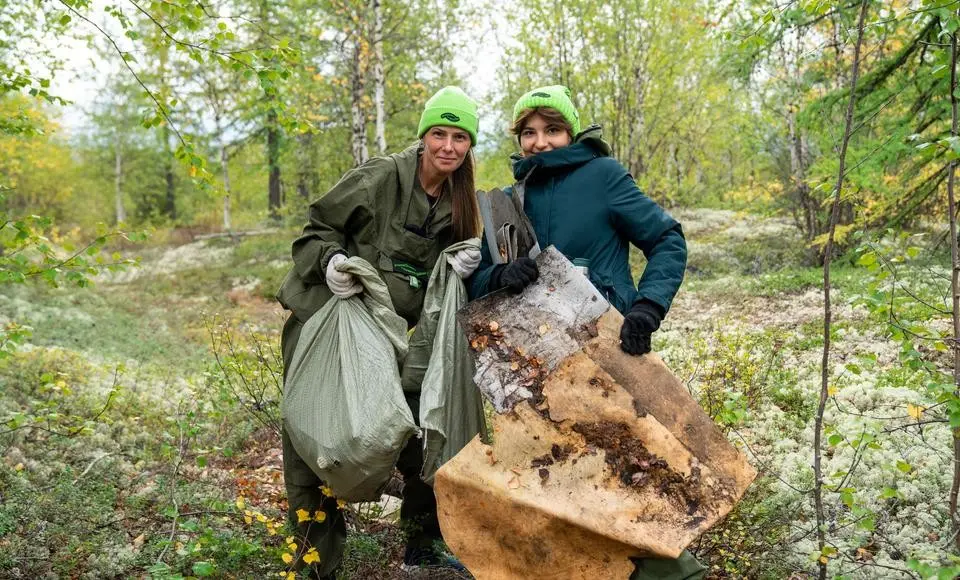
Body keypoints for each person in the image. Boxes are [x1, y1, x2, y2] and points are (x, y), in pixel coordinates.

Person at [468, 85, 704, 580]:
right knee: (563, 478)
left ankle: (674, 573)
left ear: (571, 132)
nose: (540, 142)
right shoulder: (513, 197)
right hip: (535, 356)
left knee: (630, 470)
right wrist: (499, 277)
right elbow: (480, 275)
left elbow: (666, 239)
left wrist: (647, 307)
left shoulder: (603, 176)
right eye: (529, 133)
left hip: (605, 346)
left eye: (552, 130)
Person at [276, 86, 483, 578]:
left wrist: (474, 262)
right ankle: (314, 564)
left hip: (392, 344)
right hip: (329, 334)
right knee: (318, 449)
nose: (448, 147)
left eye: (460, 137)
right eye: (439, 134)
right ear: (423, 135)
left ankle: (422, 547)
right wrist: (331, 262)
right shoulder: (379, 179)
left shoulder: (461, 202)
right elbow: (313, 232)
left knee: (423, 433)